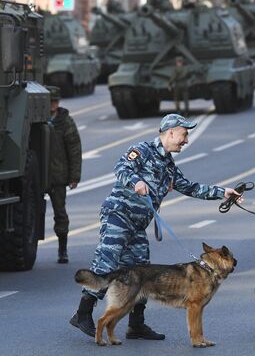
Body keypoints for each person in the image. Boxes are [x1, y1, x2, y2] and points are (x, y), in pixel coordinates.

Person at [70, 113, 241, 340]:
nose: (186, 140)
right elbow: (121, 167)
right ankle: (83, 314)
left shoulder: (168, 165)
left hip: (138, 225)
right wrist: (136, 181)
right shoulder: (142, 150)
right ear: (170, 132)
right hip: (119, 216)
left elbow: (190, 187)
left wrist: (223, 193)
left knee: (142, 272)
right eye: (184, 134)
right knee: (106, 262)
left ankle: (136, 325)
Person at [46, 86, 82, 264]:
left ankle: (62, 249)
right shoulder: (36, 120)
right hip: (37, 176)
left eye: (55, 101)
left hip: (58, 176)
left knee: (60, 214)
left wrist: (74, 176)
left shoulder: (65, 121)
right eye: (50, 101)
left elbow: (74, 150)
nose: (53, 105)